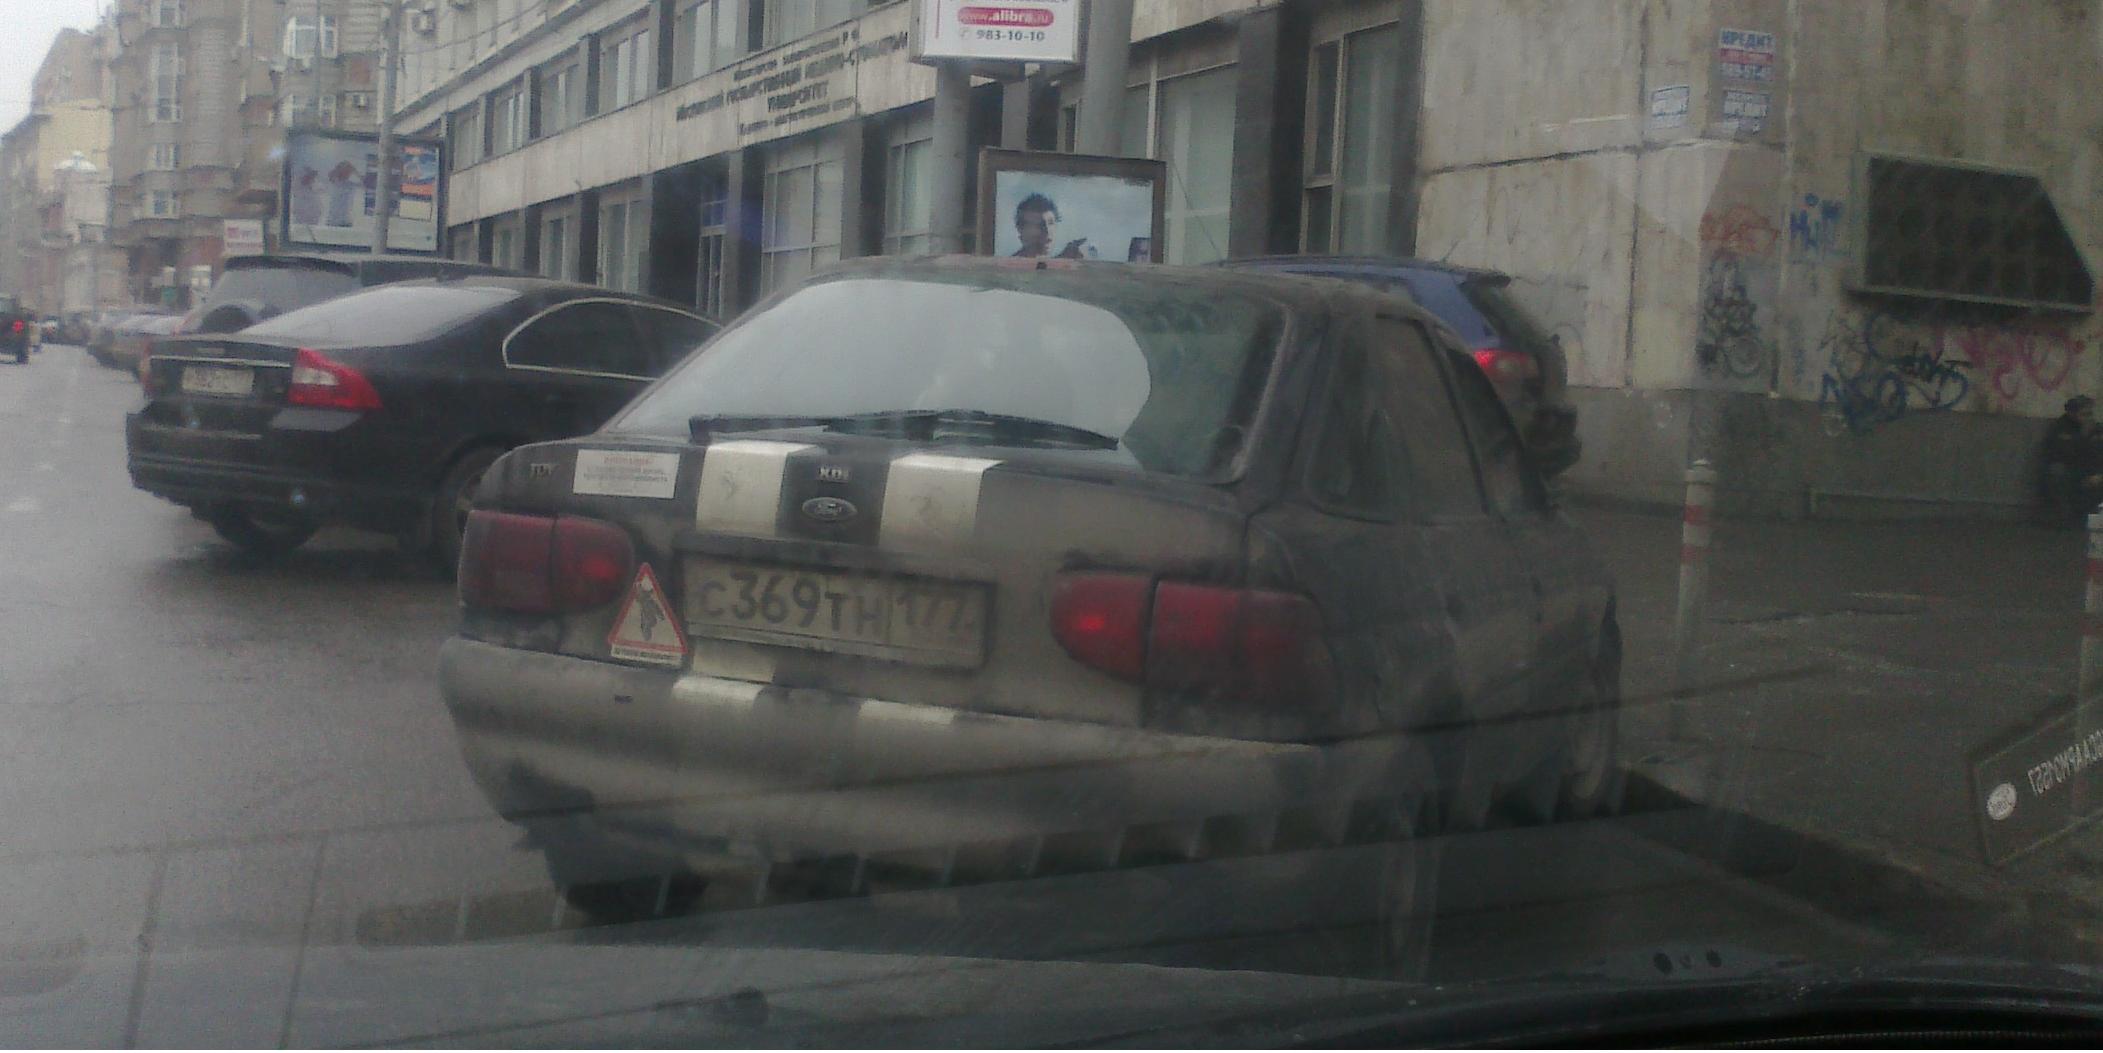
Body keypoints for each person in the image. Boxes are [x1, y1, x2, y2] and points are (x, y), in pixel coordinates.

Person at [2042, 395, 2103, 525]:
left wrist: (2099, 474)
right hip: (2069, 470)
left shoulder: (2097, 430)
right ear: (2072, 414)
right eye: (2084, 414)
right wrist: (2083, 436)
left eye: (2090, 414)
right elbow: (2061, 455)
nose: (2088, 418)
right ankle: (2065, 517)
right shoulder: (2060, 428)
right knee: (2056, 472)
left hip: (2091, 471)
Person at [1011, 193, 1087, 260]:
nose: (1047, 230)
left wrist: (1065, 258)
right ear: (1021, 229)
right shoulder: (1010, 267)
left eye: (1051, 223)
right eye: (1040, 225)